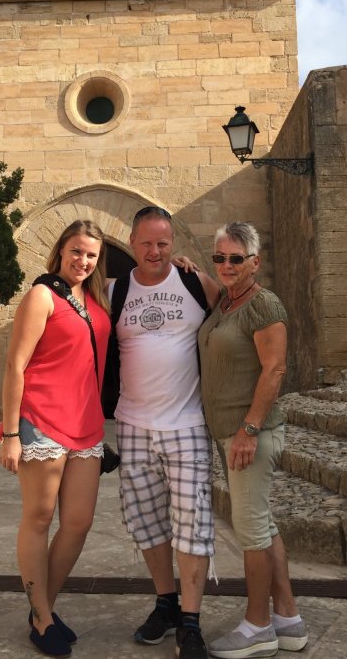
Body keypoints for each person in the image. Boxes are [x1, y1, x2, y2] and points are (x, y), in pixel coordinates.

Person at [111, 206, 221, 659]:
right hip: (132, 424)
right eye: (147, 243)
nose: (155, 251)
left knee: (192, 523)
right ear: (132, 243)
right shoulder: (115, 291)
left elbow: (237, 314)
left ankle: (191, 623)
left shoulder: (196, 283)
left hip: (187, 423)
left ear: (173, 244)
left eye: (163, 243)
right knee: (146, 521)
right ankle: (166, 603)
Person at [0, 220, 111, 659]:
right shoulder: (42, 296)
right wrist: (10, 434)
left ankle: (42, 605)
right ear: (61, 250)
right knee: (40, 518)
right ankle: (42, 616)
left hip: (86, 423)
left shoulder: (95, 299)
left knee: (79, 521)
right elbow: (15, 365)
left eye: (91, 255)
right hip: (40, 419)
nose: (83, 261)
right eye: (76, 251)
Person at [197, 222, 307, 659]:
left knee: (251, 532)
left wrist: (249, 429)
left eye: (235, 259)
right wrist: (188, 267)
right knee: (262, 524)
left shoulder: (264, 305)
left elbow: (275, 369)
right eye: (219, 258)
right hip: (231, 433)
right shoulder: (227, 302)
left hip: (249, 436)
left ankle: (258, 626)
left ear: (255, 262)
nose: (226, 265)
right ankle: (288, 619)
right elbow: (210, 286)